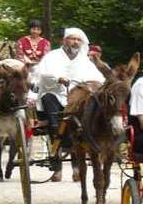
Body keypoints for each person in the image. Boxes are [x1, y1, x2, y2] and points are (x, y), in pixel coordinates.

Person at [33, 27, 106, 179]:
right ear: (64, 40)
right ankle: (57, 166)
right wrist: (58, 78)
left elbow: (98, 78)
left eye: (78, 40)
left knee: (79, 123)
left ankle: (76, 167)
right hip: (55, 94)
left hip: (76, 98)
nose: (75, 42)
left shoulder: (84, 60)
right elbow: (42, 74)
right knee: (50, 105)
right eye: (72, 39)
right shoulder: (52, 56)